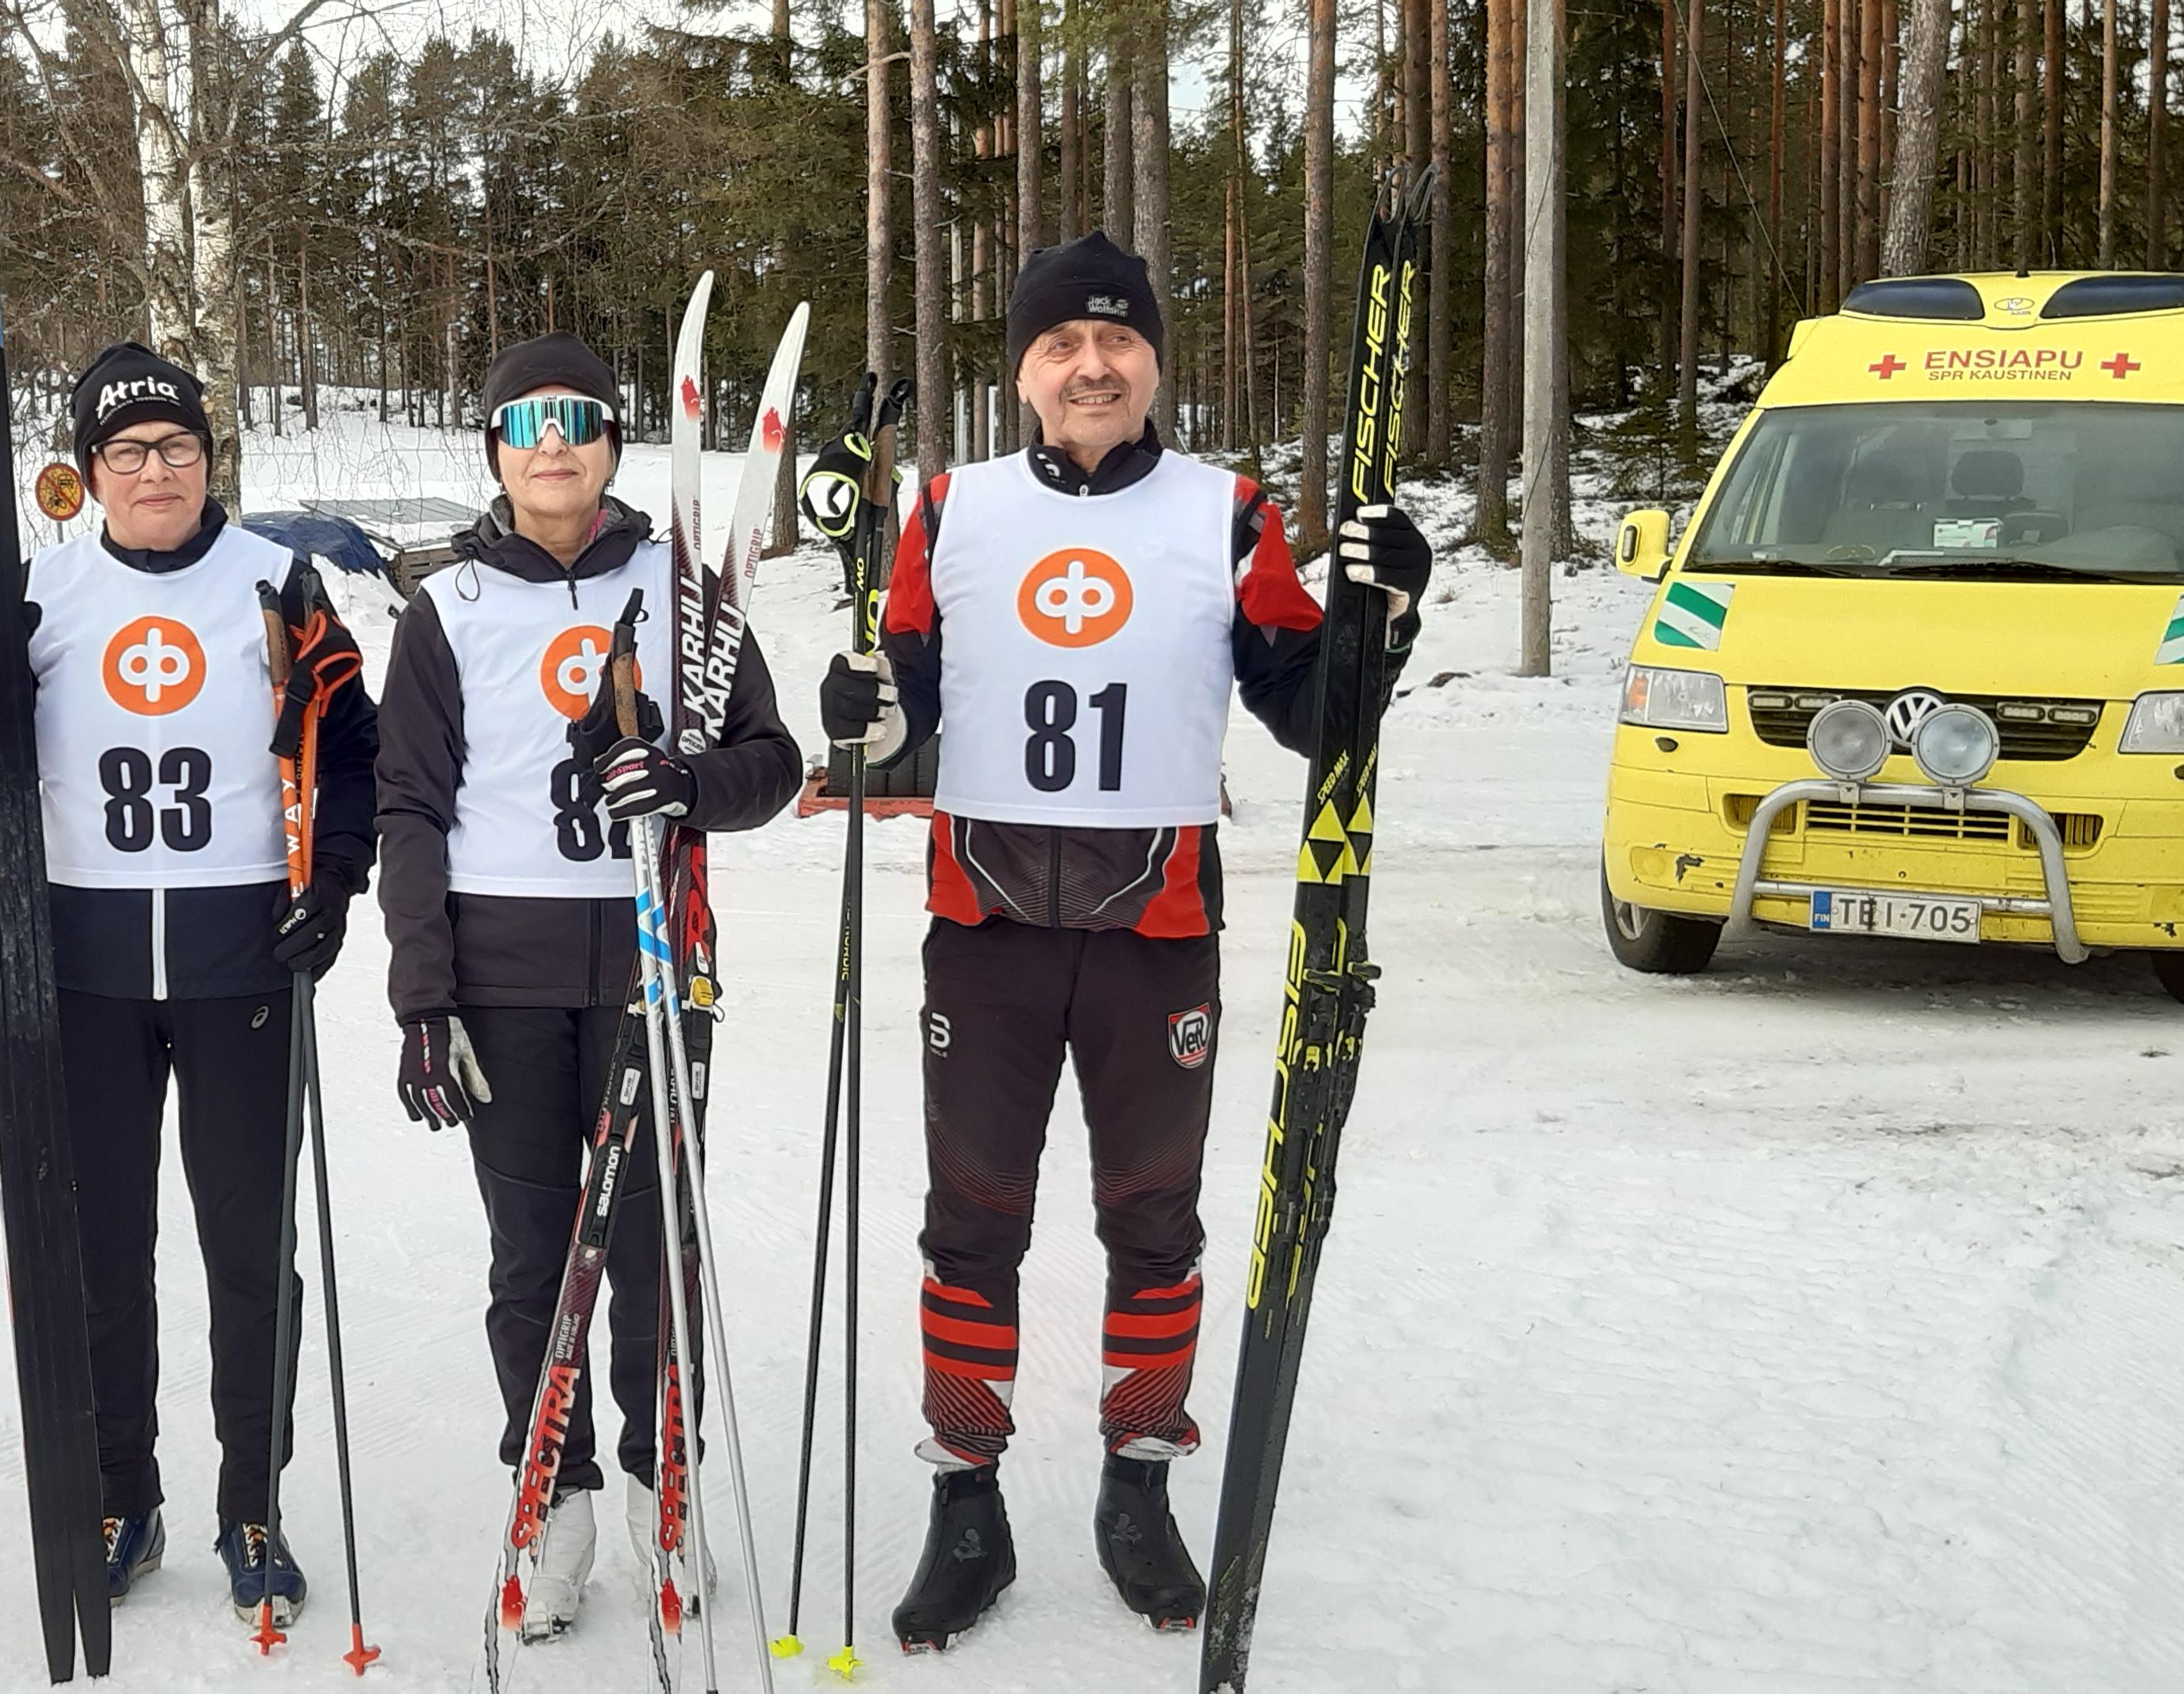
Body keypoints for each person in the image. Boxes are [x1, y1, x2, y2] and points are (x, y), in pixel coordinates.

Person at [818, 231, 1433, 1650]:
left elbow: (1311, 708)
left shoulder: (1226, 515)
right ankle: (962, 1495)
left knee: (1151, 1221)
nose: (1089, 364)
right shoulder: (949, 512)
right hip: (982, 926)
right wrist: (856, 711)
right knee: (968, 1223)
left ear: (1152, 359)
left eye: (1114, 342)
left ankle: (1136, 1475)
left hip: (1156, 920)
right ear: (1024, 371)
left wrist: (1382, 610)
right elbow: (892, 704)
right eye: (1058, 345)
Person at [0, 342, 379, 1622]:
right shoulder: (41, 594)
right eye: (126, 454)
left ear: (206, 458)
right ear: (86, 476)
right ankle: (123, 1494)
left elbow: (349, 746)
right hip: (82, 964)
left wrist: (331, 882)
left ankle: (253, 1502)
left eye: (176, 447)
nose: (155, 472)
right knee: (98, 1253)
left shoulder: (279, 584)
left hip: (244, 954)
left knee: (251, 1252)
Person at [372, 332, 808, 1641]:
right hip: (499, 975)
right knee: (532, 1253)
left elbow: (772, 761)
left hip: (652, 961)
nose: (550, 441)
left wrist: (686, 785)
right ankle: (551, 1501)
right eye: (522, 421)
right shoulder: (445, 610)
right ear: (495, 451)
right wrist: (421, 1000)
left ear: (613, 442)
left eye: (575, 418)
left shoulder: (686, 595)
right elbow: (408, 807)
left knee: (649, 1249)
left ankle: (654, 1492)